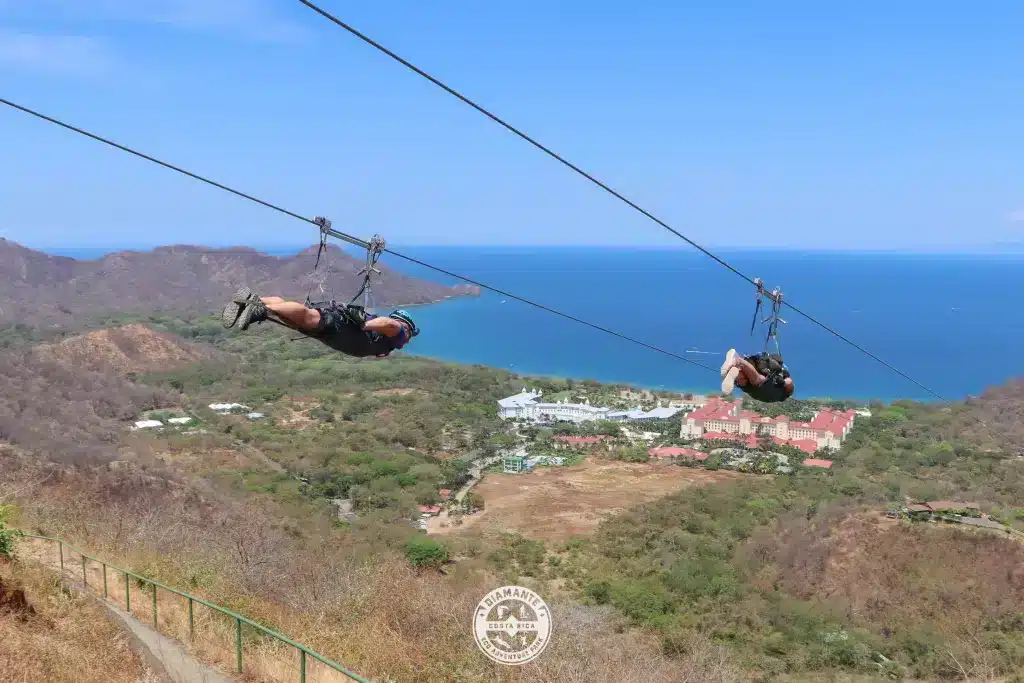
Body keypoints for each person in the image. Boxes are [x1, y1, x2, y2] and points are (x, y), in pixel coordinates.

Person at [221, 287, 418, 358]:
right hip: (344, 328)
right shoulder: (398, 332)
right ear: (405, 325)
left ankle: (256, 301)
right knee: (308, 317)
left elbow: (386, 326)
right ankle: (261, 308)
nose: (408, 340)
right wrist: (366, 325)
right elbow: (391, 325)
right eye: (410, 333)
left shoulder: (387, 343)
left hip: (340, 334)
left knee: (298, 319)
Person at [720, 348, 794, 403]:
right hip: (761, 388)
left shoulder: (779, 375)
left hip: (754, 389)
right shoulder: (783, 389)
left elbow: (789, 383)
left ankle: (734, 369)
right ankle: (737, 360)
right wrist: (783, 382)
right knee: (757, 381)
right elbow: (789, 382)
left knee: (743, 381)